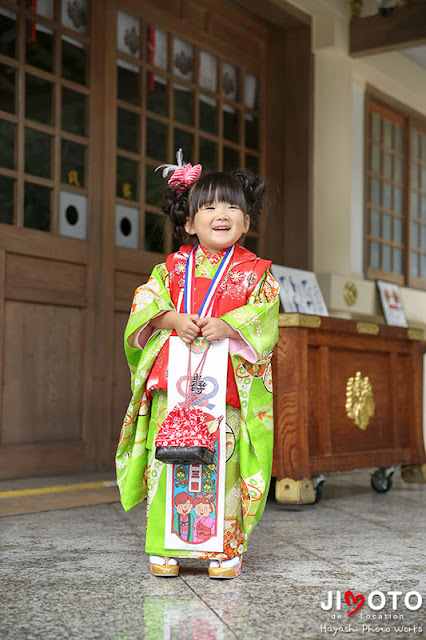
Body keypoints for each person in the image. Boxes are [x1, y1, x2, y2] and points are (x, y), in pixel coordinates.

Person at [116, 151, 280, 579]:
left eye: (232, 207)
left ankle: (223, 548)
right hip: (176, 384)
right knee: (167, 457)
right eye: (208, 206)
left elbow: (264, 316)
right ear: (189, 222)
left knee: (222, 461)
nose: (220, 214)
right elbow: (145, 302)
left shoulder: (257, 273)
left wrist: (230, 325)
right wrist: (169, 318)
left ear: (246, 222)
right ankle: (164, 544)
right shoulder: (172, 268)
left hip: (224, 388)